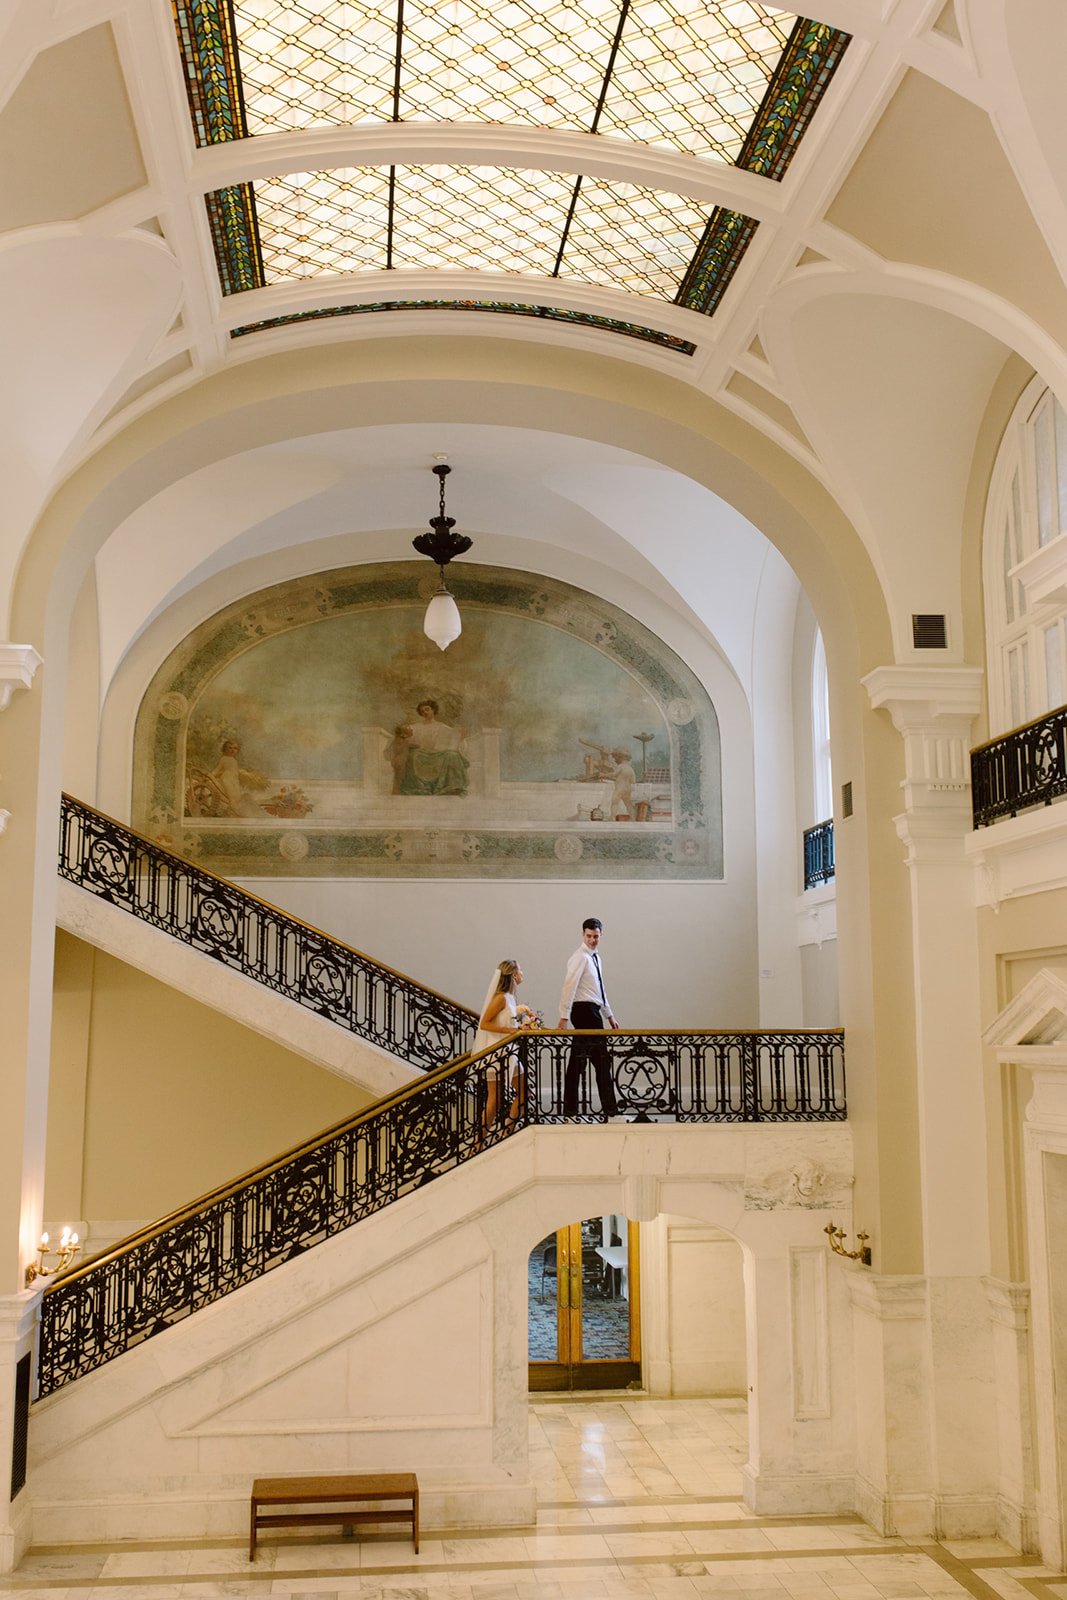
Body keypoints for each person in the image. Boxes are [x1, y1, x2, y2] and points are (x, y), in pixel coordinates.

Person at [558, 918, 620, 1119]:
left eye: (596, 936)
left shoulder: (596, 958)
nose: (592, 940)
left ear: (601, 935)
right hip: (583, 1011)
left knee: (584, 1061)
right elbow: (569, 986)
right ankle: (610, 1111)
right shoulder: (580, 957)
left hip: (593, 1010)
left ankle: (572, 1110)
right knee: (600, 1061)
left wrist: (609, 1015)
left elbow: (598, 989)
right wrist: (564, 1017)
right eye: (589, 936)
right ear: (583, 935)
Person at [474, 959, 526, 1135]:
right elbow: (484, 1023)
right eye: (520, 970)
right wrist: (509, 1031)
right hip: (497, 1053)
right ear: (513, 975)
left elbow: (508, 1017)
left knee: (524, 1092)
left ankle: (507, 1132)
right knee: (494, 1100)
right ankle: (478, 1142)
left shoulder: (510, 998)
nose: (522, 973)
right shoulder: (500, 998)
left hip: (509, 1052)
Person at [397, 699, 470, 795]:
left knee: (452, 755)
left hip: (438, 755)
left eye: (427, 709)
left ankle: (452, 786)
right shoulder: (415, 727)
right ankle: (421, 787)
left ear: (433, 710)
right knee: (413, 754)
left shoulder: (443, 727)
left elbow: (455, 741)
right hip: (421, 755)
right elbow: (405, 739)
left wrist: (461, 738)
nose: (425, 713)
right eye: (422, 711)